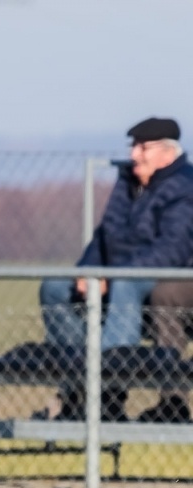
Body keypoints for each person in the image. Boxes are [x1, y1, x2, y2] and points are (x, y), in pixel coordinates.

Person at [37, 118, 193, 422]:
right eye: (133, 146)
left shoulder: (185, 187)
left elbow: (172, 250)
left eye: (143, 148)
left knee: (125, 283)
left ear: (167, 153)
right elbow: (104, 236)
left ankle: (108, 392)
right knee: (55, 287)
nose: (134, 155)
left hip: (162, 277)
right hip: (117, 274)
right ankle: (76, 385)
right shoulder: (128, 182)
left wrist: (113, 275)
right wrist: (87, 272)